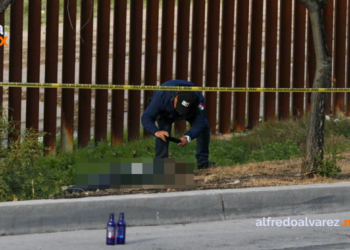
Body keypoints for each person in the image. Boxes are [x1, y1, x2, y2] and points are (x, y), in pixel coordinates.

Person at [141, 79, 216, 169]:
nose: (180, 113)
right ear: (176, 97)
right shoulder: (161, 96)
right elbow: (146, 117)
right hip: (166, 113)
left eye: (183, 110)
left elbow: (200, 122)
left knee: (204, 127)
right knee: (163, 133)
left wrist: (188, 137)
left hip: (190, 112)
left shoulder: (199, 100)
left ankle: (203, 163)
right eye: (179, 108)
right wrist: (156, 131)